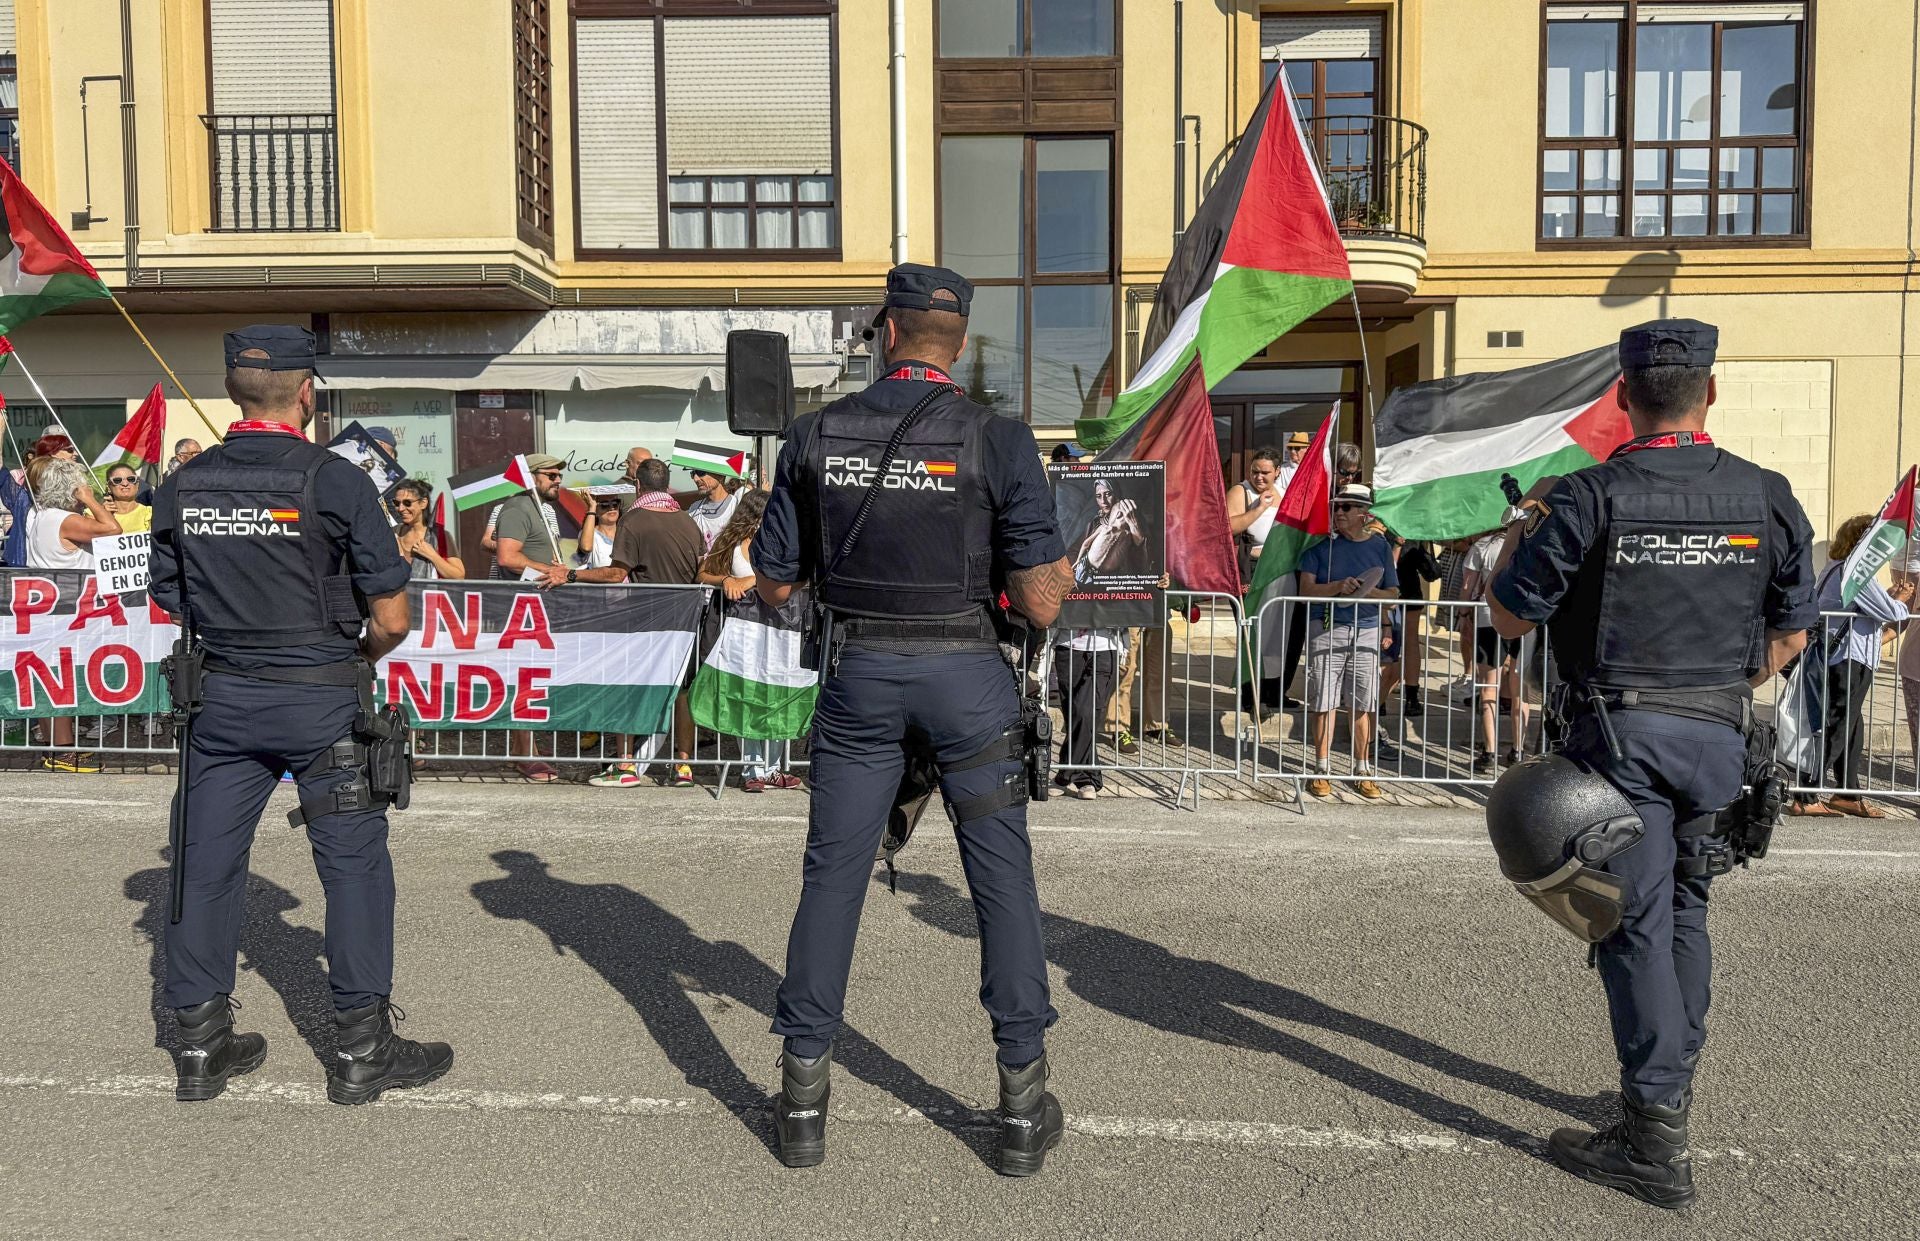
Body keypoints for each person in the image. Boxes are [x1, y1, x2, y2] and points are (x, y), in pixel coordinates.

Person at [750, 263, 1073, 1175]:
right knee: (1001, 881)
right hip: (966, 674)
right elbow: (1042, 603)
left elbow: (774, 581)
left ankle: (803, 1099)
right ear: (957, 343)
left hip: (859, 676)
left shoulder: (814, 434)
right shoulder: (999, 438)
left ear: (885, 333)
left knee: (833, 876)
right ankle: (1020, 1104)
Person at [1486, 319, 1815, 1209]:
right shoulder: (1769, 496)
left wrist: (1525, 521)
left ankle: (1654, 1139)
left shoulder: (1587, 495)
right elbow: (1789, 632)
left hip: (1619, 743)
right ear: (1711, 393)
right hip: (1718, 740)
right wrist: (1716, 691)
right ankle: (1666, 1088)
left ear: (1623, 399)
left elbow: (1511, 616)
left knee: (1633, 922)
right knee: (1686, 913)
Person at [147, 325, 452, 1107]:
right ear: (308, 393)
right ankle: (360, 1049)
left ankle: (200, 1042)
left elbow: (168, 594)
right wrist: (348, 654)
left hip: (222, 697)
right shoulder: (337, 480)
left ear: (231, 391)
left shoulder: (185, 483)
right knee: (352, 867)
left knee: (204, 864)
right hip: (319, 693)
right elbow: (391, 616)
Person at [577, 457, 706, 787]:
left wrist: (572, 574)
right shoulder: (688, 522)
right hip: (686, 618)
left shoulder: (633, 520)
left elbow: (617, 573)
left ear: (638, 485)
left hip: (645, 618)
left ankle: (625, 765)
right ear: (667, 484)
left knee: (630, 687)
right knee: (683, 693)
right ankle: (684, 767)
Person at [1788, 514, 1912, 818]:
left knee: (1852, 726)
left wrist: (1890, 599)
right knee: (1839, 726)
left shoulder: (1835, 568)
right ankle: (1807, 791)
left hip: (1842, 656)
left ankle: (1847, 792)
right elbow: (1890, 611)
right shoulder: (1856, 574)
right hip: (1850, 658)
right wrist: (1903, 599)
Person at [694, 489, 804, 793]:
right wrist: (726, 580)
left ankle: (773, 768)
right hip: (744, 635)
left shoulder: (785, 542)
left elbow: (801, 575)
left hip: (780, 634)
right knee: (747, 697)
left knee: (777, 697)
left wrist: (751, 580)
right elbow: (703, 573)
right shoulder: (731, 543)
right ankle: (752, 769)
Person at [1296, 484, 1397, 800]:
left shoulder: (1380, 547)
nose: (1338, 512)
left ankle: (1362, 769)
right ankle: (1321, 768)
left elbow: (1394, 595)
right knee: (1323, 702)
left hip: (1366, 629)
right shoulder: (1319, 547)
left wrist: (1366, 592)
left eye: (1346, 507)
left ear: (1363, 513)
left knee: (1362, 704)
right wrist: (1339, 586)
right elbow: (1304, 591)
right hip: (1327, 629)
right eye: (1336, 507)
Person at [23, 454, 122, 772]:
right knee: (62, 679)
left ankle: (56, 748)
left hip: (51, 608)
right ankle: (64, 750)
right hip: (67, 608)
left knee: (52, 678)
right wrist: (90, 499)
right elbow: (112, 529)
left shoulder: (39, 515)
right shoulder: (62, 519)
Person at [489, 453, 570, 781]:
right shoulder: (517, 508)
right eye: (551, 475)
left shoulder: (540, 509)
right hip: (518, 610)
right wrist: (549, 570)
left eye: (558, 476)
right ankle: (525, 753)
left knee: (531, 678)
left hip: (535, 608)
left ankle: (524, 749)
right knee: (524, 678)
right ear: (531, 478)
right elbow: (507, 557)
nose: (558, 481)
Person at [1462, 527, 1530, 773]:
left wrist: (1462, 614)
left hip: (1488, 618)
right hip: (1524, 618)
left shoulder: (1482, 546)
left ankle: (1489, 752)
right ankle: (1518, 750)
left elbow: (1467, 587)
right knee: (1518, 689)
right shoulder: (1529, 543)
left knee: (1489, 687)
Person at [1052, 625, 1125, 799]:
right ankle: (1089, 778)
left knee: (1085, 712)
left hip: (1105, 648)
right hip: (1067, 646)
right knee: (1075, 716)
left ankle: (1065, 775)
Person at [391, 479, 465, 580]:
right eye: (396, 503)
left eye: (407, 503)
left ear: (423, 503)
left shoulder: (439, 536)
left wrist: (432, 555)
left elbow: (458, 576)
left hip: (426, 594)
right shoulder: (392, 533)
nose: (400, 508)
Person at [686, 467, 743, 549]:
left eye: (701, 472)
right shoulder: (693, 510)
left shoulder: (737, 507)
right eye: (693, 473)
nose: (695, 479)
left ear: (720, 475)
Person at [103, 464, 153, 533]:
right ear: (108, 487)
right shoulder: (94, 515)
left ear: (137, 485)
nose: (125, 484)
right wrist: (103, 515)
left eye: (131, 479)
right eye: (117, 480)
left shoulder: (151, 513)